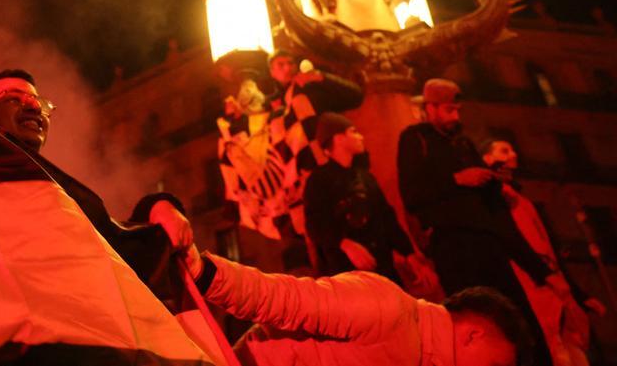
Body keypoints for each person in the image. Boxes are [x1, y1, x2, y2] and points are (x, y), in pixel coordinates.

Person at [0, 70, 207, 307]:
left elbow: (112, 246)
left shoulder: (57, 191)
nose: (34, 107)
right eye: (13, 98)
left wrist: (155, 208)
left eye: (40, 101)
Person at [399, 77, 560, 366]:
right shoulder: (415, 139)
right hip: (453, 244)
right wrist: (456, 179)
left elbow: (495, 214)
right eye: (449, 110)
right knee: (477, 324)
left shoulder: (463, 143)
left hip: (488, 244)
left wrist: (538, 269)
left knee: (518, 323)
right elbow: (411, 194)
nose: (455, 117)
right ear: (432, 108)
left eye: (457, 110)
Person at [199, 251, 531, 366]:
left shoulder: (419, 352)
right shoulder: (389, 307)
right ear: (474, 334)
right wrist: (202, 273)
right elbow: (283, 298)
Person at [481, 137, 604, 366]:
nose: (513, 155)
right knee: (552, 343)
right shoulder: (495, 197)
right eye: (504, 151)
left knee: (570, 346)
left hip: (549, 278)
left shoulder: (520, 198)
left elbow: (549, 247)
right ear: (486, 159)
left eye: (513, 150)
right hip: (532, 280)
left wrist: (579, 294)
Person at [303, 113, 428, 287]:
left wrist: (409, 254)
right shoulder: (319, 180)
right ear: (338, 138)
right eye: (353, 131)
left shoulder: (365, 177)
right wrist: (344, 243)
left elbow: (386, 217)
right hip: (348, 277)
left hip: (383, 269)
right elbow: (315, 224)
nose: (360, 136)